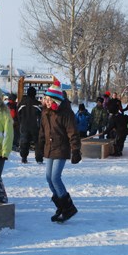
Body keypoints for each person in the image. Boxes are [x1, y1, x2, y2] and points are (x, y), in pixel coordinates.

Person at [38, 80, 80, 223]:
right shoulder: (45, 113)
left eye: (50, 100)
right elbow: (42, 132)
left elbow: (73, 133)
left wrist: (76, 150)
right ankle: (61, 207)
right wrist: (39, 147)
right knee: (49, 178)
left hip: (61, 148)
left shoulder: (66, 113)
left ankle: (68, 208)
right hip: (49, 149)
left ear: (56, 100)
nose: (47, 102)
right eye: (46, 99)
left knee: (55, 177)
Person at [17, 86, 42, 164]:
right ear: (35, 94)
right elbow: (41, 115)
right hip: (35, 126)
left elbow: (18, 115)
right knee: (37, 142)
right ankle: (39, 159)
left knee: (24, 142)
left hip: (24, 125)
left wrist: (20, 122)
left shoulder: (22, 103)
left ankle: (24, 157)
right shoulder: (37, 104)